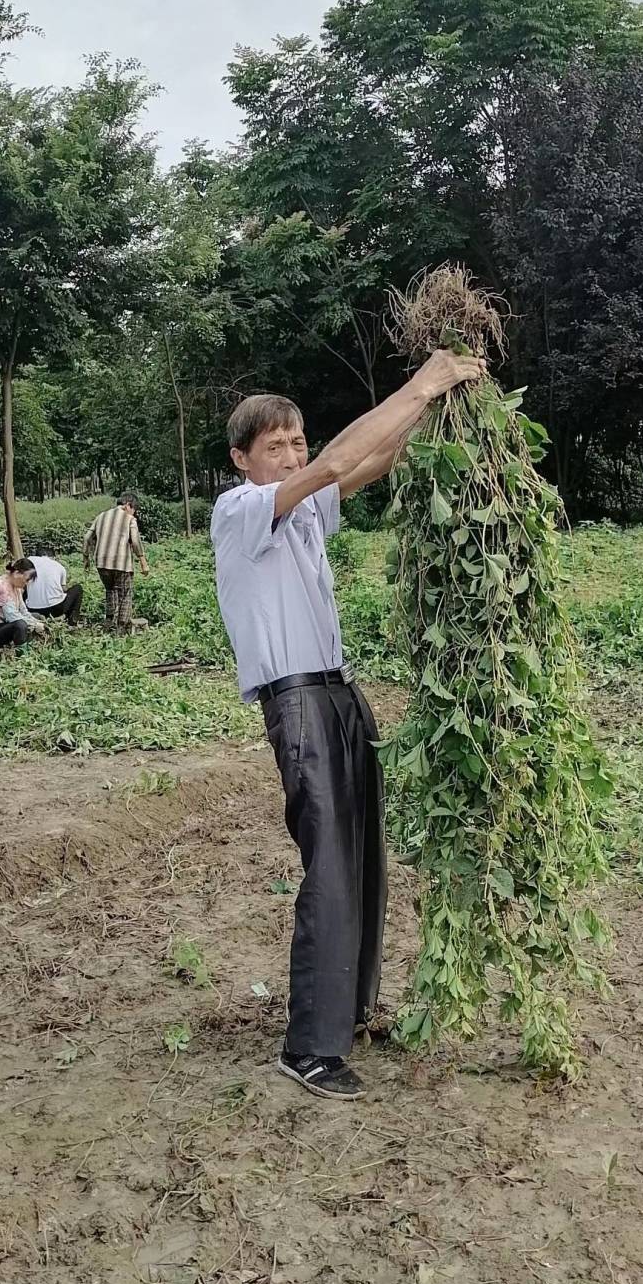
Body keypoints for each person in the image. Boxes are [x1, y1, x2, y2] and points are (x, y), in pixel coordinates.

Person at [211, 346, 486, 1101]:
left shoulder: (300, 514)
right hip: (296, 701)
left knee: (363, 853)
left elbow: (371, 459)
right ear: (242, 458)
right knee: (328, 862)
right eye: (275, 445)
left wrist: (434, 405)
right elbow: (336, 463)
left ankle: (354, 1009)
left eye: (297, 440)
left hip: (339, 694)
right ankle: (310, 1047)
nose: (293, 453)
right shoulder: (240, 512)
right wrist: (420, 380)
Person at [83, 492, 149, 635]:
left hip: (101, 563)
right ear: (128, 505)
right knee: (125, 594)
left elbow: (87, 537)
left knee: (110, 590)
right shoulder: (129, 519)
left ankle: (108, 623)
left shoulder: (101, 516)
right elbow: (136, 541)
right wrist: (143, 560)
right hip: (121, 563)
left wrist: (86, 557)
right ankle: (120, 628)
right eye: (134, 510)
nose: (134, 513)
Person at [0, 559, 46, 651]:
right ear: (17, 573)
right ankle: (23, 658)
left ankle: (31, 649)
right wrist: (35, 625)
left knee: (37, 616)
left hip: (4, 626)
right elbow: (12, 616)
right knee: (20, 625)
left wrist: (37, 622)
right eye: (26, 580)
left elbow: (23, 611)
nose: (26, 584)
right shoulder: (0, 586)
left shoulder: (16, 587)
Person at [25, 551, 83, 627]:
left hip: (32, 609)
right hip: (56, 609)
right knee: (78, 588)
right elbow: (64, 589)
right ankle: (72, 620)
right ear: (53, 557)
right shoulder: (59, 567)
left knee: (25, 587)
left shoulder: (29, 560)